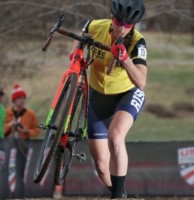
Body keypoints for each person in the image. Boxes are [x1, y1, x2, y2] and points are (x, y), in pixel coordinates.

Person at [70, 0, 147, 198]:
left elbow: (141, 81)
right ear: (111, 17)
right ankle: (119, 193)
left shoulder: (138, 42)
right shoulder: (97, 26)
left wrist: (125, 59)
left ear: (133, 25)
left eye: (127, 25)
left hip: (127, 94)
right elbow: (81, 35)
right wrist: (76, 52)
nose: (121, 28)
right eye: (118, 21)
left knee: (115, 137)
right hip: (98, 95)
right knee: (102, 166)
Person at [4, 84, 40, 198]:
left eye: (23, 98)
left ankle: (19, 195)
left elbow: (37, 130)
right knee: (7, 170)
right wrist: (10, 125)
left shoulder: (30, 114)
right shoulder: (6, 112)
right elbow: (1, 129)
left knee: (20, 171)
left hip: (23, 145)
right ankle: (5, 194)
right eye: (19, 98)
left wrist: (27, 131)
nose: (22, 100)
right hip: (8, 144)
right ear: (14, 99)